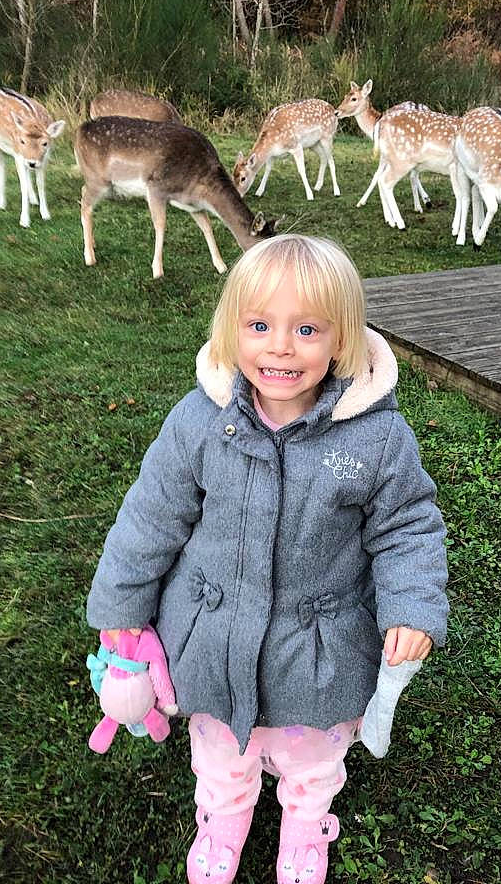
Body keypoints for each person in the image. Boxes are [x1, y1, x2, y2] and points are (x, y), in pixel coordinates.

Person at [86, 234, 449, 884]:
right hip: (214, 637)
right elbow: (151, 517)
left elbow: (407, 526)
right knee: (224, 751)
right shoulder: (198, 423)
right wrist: (120, 608)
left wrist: (414, 604)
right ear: (232, 332)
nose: (280, 346)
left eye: (307, 328)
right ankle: (224, 818)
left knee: (311, 757)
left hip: (318, 646)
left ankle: (307, 829)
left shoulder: (376, 437)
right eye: (259, 325)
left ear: (343, 340)